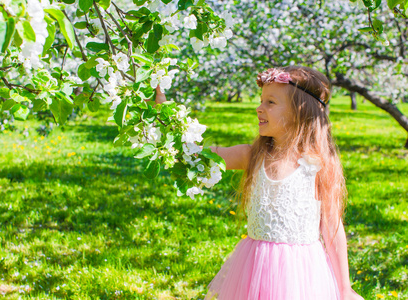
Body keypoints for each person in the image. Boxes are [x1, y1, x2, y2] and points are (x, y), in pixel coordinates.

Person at [153, 66, 363, 300]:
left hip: (300, 274)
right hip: (255, 266)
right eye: (261, 100)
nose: (259, 108)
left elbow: (333, 229)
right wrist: (163, 110)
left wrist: (344, 288)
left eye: (271, 102)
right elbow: (191, 155)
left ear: (300, 112)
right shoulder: (251, 156)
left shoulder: (316, 164)